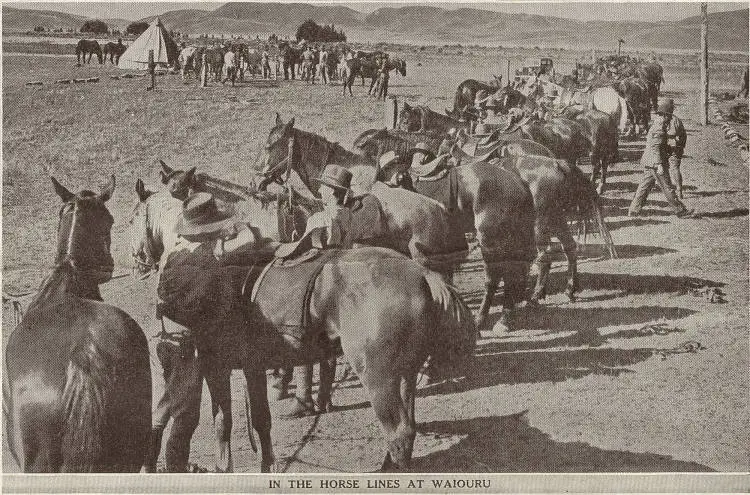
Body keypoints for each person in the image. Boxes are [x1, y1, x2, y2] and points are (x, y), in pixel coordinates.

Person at [142, 193, 264, 473]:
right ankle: (174, 474)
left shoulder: (177, 252)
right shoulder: (202, 257)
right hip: (185, 346)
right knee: (185, 417)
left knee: (163, 408)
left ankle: (147, 467)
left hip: (169, 341)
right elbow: (249, 240)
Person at [274, 164, 360, 418]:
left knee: (302, 333)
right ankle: (325, 398)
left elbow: (303, 251)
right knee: (329, 341)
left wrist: (287, 243)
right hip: (342, 279)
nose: (319, 189)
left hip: (319, 281)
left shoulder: (320, 219)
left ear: (331, 192)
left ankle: (303, 398)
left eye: (323, 186)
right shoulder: (349, 215)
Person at [628, 100, 697, 218]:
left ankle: (634, 210)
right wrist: (659, 164)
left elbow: (659, 145)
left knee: (644, 186)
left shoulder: (658, 125)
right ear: (665, 115)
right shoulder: (659, 128)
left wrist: (669, 149)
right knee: (667, 187)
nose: (670, 119)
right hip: (655, 162)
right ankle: (680, 211)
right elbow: (655, 147)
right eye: (669, 116)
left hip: (650, 161)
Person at [661, 98, 688, 199]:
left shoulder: (671, 121)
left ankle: (676, 189)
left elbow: (671, 134)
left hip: (670, 147)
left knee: (671, 168)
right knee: (672, 168)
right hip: (674, 146)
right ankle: (677, 189)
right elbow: (684, 136)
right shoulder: (676, 120)